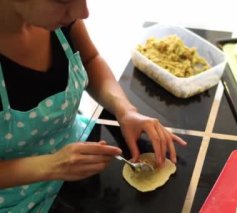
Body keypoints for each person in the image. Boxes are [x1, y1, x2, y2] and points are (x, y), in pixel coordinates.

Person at [0, 0, 187, 211]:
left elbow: (90, 59)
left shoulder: (61, 20)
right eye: (64, 1)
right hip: (15, 197)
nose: (83, 12)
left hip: (74, 149)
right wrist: (51, 165)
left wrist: (124, 110)